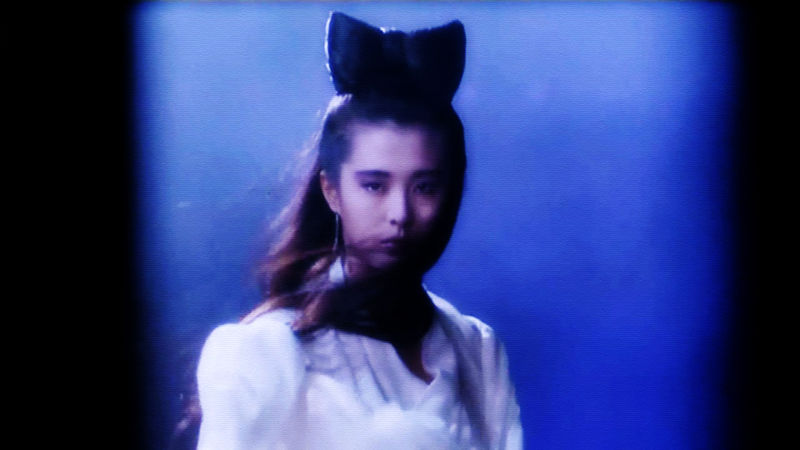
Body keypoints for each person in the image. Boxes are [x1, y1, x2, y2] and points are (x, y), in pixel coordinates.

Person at [193, 12, 522, 449]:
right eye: (374, 185)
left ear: (452, 191)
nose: (400, 213)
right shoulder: (271, 351)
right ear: (331, 190)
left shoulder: (475, 348)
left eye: (425, 187)